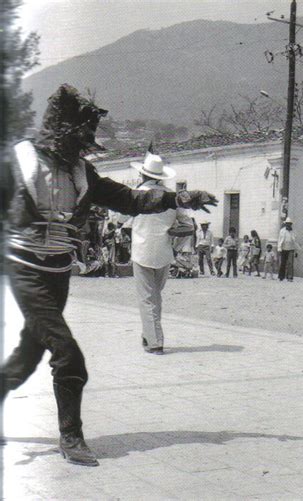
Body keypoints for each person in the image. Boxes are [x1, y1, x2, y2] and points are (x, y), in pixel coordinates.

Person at [0, 84, 217, 467]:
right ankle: (72, 436)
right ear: (60, 133)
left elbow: (129, 199)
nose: (85, 145)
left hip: (58, 270)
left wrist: (180, 198)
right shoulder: (17, 163)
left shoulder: (83, 173)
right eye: (80, 137)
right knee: (67, 353)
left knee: (30, 352)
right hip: (24, 269)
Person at [131, 147, 194, 355]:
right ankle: (149, 336)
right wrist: (174, 244)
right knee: (156, 296)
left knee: (146, 298)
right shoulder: (172, 197)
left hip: (141, 251)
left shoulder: (136, 195)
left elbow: (120, 220)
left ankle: (155, 341)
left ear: (142, 173)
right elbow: (188, 226)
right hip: (164, 253)